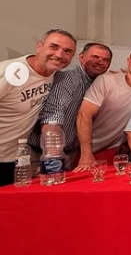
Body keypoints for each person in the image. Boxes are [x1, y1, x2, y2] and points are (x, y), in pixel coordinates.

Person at [0, 29, 77, 186]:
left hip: (14, 158)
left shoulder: (55, 75)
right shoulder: (11, 71)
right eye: (54, 47)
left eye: (67, 51)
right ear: (39, 46)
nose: (60, 55)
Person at [27, 42, 112, 173]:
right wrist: (52, 157)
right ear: (81, 57)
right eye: (95, 57)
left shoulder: (99, 82)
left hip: (70, 154)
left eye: (105, 60)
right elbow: (53, 114)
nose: (100, 62)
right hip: (42, 154)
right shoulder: (69, 77)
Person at [74, 46, 131, 171]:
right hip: (88, 150)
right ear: (128, 61)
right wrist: (86, 154)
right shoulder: (106, 81)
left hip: (115, 153)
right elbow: (84, 115)